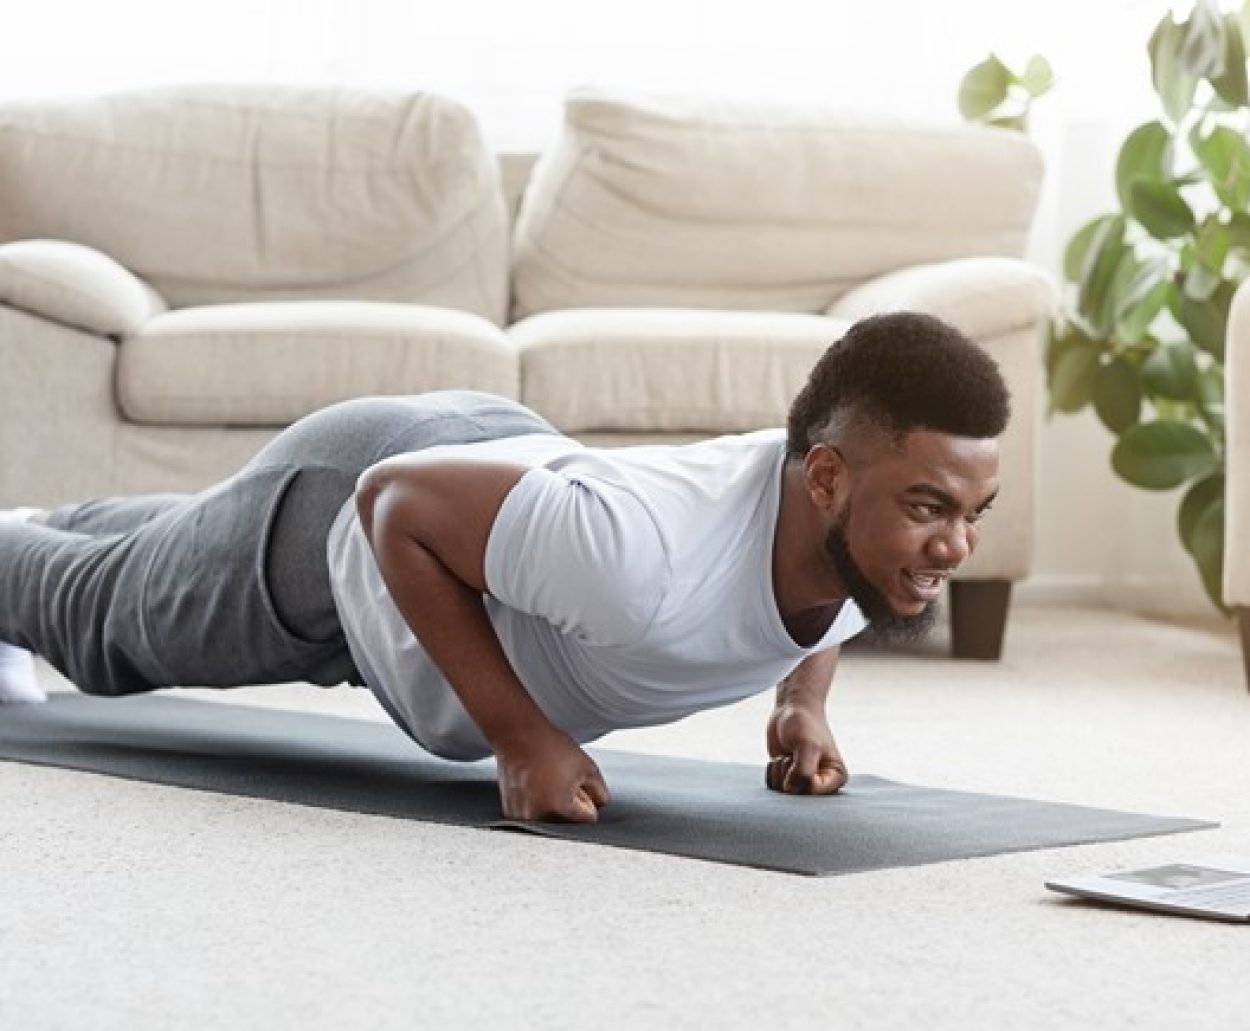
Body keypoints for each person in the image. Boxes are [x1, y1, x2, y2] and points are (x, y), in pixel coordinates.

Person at [0, 311, 1006, 823]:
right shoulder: (641, 561)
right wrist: (521, 739)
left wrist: (802, 703)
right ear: (825, 477)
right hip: (357, 510)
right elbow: (393, 503)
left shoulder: (844, 522)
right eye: (928, 509)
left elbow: (828, 595)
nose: (953, 548)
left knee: (171, 545)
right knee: (103, 627)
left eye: (972, 514)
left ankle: (46, 526)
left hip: (490, 491)